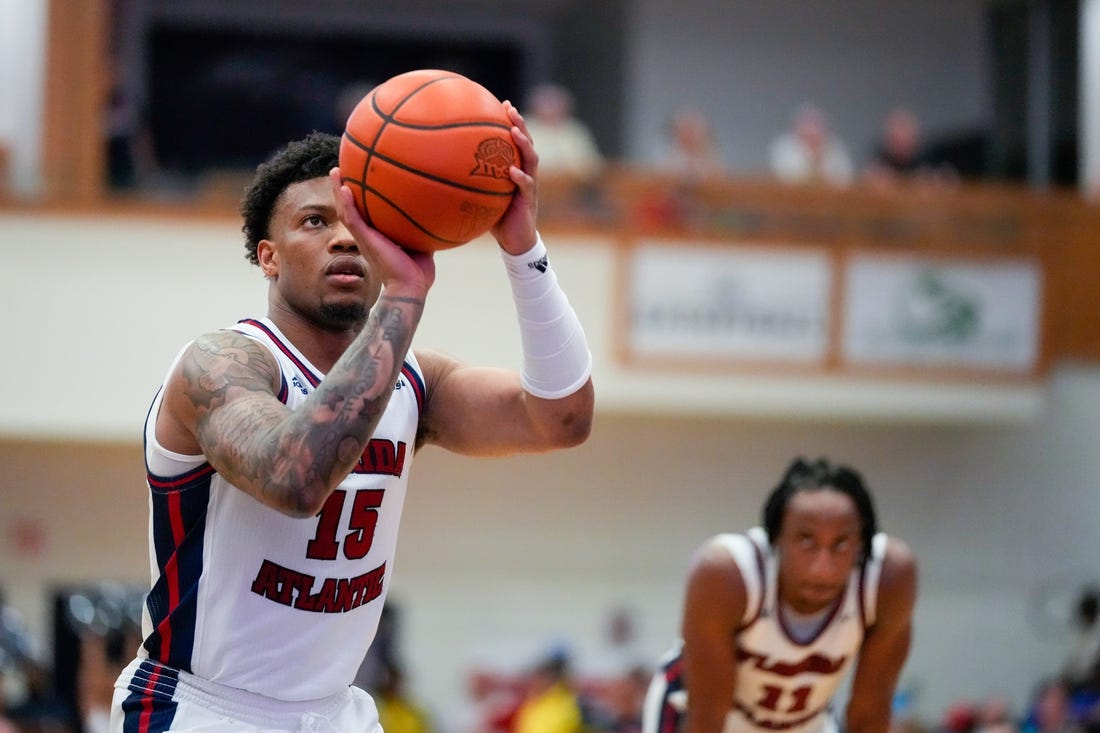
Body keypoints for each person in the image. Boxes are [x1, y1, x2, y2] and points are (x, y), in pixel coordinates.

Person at [108, 99, 594, 733]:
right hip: (202, 707)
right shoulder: (220, 363)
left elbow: (561, 420)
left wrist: (522, 246)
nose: (344, 238)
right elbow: (295, 479)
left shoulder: (418, 378)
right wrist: (405, 297)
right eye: (315, 221)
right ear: (268, 256)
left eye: (363, 226)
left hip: (337, 712)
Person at [641, 457, 918, 733]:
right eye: (807, 541)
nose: (823, 567)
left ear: (861, 544)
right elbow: (707, 717)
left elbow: (869, 712)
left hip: (805, 722)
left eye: (841, 544)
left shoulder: (888, 578)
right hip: (700, 715)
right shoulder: (728, 575)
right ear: (776, 538)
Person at [524, 83, 604, 184]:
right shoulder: (525, 127)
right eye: (547, 104)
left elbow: (592, 166)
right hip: (535, 187)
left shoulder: (575, 130)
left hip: (571, 190)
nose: (551, 109)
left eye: (555, 105)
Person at [769, 104, 854, 187]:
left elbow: (845, 178)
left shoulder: (834, 146)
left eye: (816, 124)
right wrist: (813, 159)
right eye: (808, 124)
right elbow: (787, 176)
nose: (812, 130)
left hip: (830, 197)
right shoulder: (784, 146)